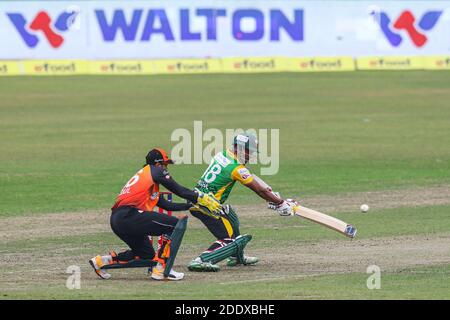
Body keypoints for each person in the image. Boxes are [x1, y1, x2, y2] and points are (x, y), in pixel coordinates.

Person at [89, 148, 221, 281]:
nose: (166, 168)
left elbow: (166, 205)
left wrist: (190, 205)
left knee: (146, 255)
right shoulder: (155, 170)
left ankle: (102, 262)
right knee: (174, 225)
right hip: (128, 215)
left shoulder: (146, 178)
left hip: (118, 219)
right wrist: (200, 197)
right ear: (158, 164)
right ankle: (162, 269)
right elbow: (179, 190)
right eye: (165, 164)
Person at [187, 133, 297, 272]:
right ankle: (200, 260)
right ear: (237, 148)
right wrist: (280, 203)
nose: (249, 155)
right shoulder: (236, 168)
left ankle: (236, 257)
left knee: (229, 215)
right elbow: (258, 190)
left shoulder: (223, 154)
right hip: (205, 206)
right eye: (247, 151)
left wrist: (270, 196)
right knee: (228, 240)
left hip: (200, 199)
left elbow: (251, 179)